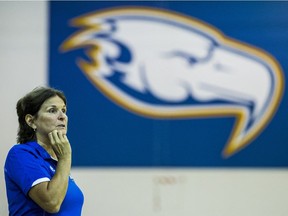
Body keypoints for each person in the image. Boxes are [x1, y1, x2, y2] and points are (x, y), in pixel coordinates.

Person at [4, 86, 84, 215]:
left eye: (63, 110)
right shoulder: (21, 154)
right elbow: (51, 203)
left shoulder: (54, 161)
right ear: (31, 121)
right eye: (52, 110)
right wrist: (65, 157)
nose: (62, 116)